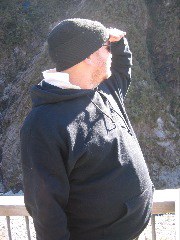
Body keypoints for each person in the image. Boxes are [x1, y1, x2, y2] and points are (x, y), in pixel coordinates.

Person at [20, 18, 154, 240]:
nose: (110, 53)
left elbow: (122, 69)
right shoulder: (42, 124)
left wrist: (118, 43)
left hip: (131, 229)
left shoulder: (104, 89)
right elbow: (46, 211)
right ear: (89, 56)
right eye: (106, 47)